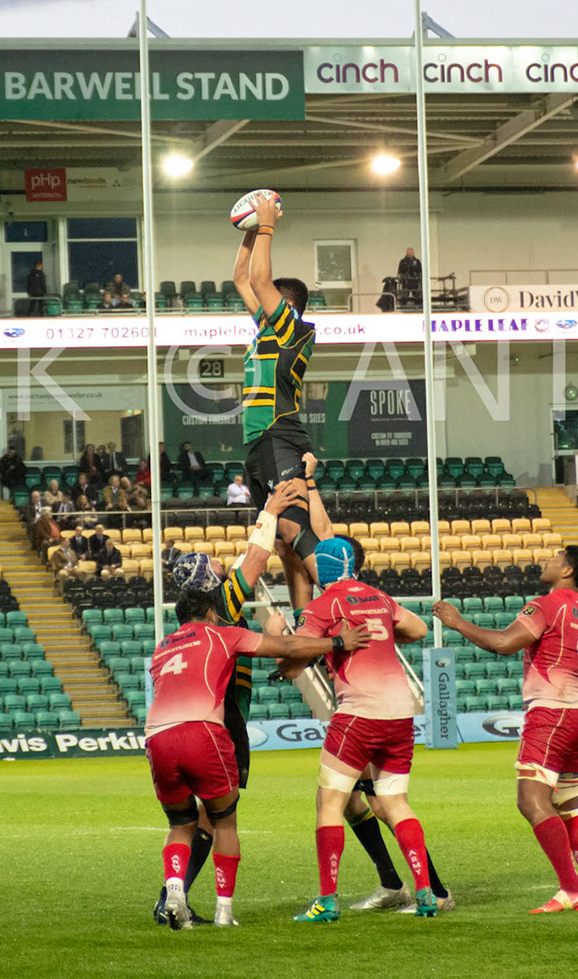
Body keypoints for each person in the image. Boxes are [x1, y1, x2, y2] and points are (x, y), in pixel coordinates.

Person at [145, 585, 370, 930]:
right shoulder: (222, 635)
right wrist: (338, 643)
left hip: (157, 736)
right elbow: (287, 647)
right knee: (224, 820)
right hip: (201, 730)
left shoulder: (161, 650)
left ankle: (175, 891)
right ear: (209, 612)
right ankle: (224, 912)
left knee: (180, 824)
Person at [436, 546, 578, 912]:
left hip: (552, 713)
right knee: (568, 802)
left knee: (531, 800)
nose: (547, 561)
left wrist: (456, 622)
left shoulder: (546, 605)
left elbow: (503, 644)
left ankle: (571, 889)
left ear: (567, 570)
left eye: (555, 557)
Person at [279, 535, 440, 921]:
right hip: (400, 713)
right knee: (396, 803)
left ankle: (327, 901)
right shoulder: (379, 597)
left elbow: (292, 664)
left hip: (359, 714)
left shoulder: (323, 605)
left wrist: (297, 639)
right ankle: (426, 896)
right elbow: (417, 629)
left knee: (331, 802)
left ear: (326, 565)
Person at [233, 190, 320, 608]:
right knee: (285, 542)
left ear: (286, 306)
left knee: (292, 530)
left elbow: (258, 281)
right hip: (260, 442)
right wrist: (250, 233)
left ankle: (345, 594)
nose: (260, 300)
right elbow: (240, 278)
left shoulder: (292, 328)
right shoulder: (269, 329)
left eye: (269, 298)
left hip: (277, 435)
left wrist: (266, 223)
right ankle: (307, 623)